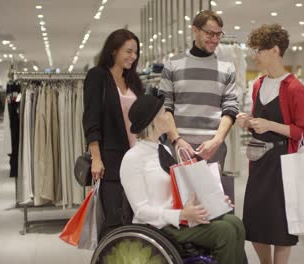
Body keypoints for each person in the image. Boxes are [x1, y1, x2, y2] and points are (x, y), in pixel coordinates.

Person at [120, 94, 246, 264]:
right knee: (226, 231)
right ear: (152, 122)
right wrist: (181, 215)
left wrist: (213, 202)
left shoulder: (162, 149)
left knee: (235, 222)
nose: (168, 117)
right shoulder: (133, 158)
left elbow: (179, 190)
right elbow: (141, 211)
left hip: (180, 218)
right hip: (159, 227)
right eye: (164, 113)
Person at [236, 24, 304, 264]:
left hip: (283, 165)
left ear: (274, 50)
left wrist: (270, 125)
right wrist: (248, 122)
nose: (254, 56)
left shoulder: (294, 88)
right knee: (257, 220)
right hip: (259, 162)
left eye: (258, 50)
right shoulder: (258, 84)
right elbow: (261, 122)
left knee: (280, 224)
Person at [159, 10, 239, 169]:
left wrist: (217, 141)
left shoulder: (227, 68)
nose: (215, 39)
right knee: (177, 194)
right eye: (210, 34)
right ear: (195, 30)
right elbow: (165, 107)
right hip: (178, 147)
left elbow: (230, 109)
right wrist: (177, 140)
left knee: (212, 194)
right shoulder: (173, 64)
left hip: (213, 148)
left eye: (218, 34)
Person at [82, 28, 143, 235]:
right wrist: (96, 158)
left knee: (136, 219)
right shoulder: (97, 76)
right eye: (128, 51)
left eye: (136, 52)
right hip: (111, 160)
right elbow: (91, 120)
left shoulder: (134, 81)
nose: (133, 57)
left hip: (137, 159)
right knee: (113, 220)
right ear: (114, 50)